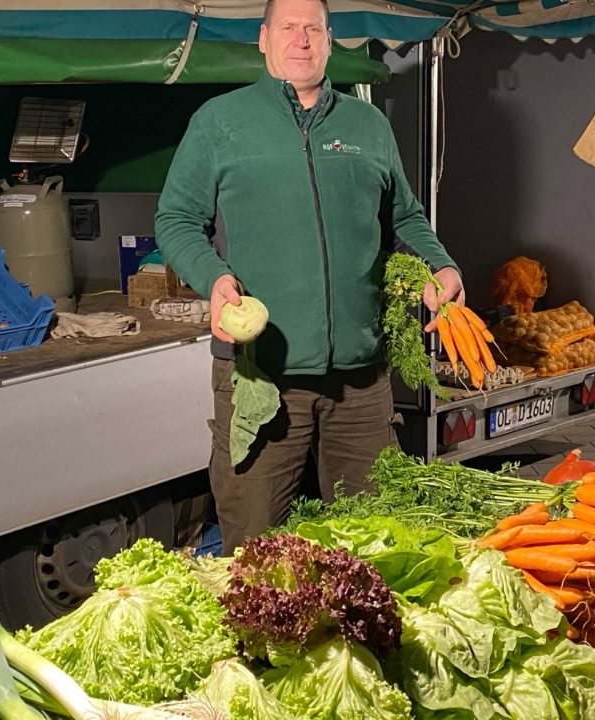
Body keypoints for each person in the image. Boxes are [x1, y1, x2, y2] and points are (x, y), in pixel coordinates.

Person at [155, 0, 463, 554]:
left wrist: (441, 264)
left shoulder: (367, 125)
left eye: (313, 29)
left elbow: (404, 216)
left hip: (361, 382)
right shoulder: (220, 122)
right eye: (289, 28)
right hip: (261, 377)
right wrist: (215, 280)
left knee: (376, 544)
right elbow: (177, 219)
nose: (302, 40)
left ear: (329, 40)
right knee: (255, 549)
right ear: (264, 39)